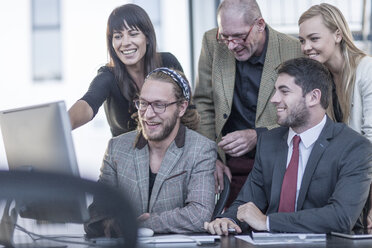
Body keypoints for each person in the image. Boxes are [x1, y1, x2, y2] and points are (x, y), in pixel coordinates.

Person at [204, 57, 372, 235]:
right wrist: (227, 220)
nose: (274, 99)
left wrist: (268, 222)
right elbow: (246, 204)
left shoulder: (354, 147)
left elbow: (341, 217)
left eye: (284, 92)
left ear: (313, 97)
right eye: (275, 91)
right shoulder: (268, 142)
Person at [193, 0, 303, 205]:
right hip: (229, 165)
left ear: (260, 24)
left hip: (279, 162)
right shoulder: (211, 42)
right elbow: (203, 104)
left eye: (239, 36)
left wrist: (258, 135)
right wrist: (211, 157)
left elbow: (304, 115)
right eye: (225, 37)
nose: (232, 45)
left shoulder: (293, 50)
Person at [84, 68, 216, 236]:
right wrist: (112, 225)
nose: (148, 114)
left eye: (159, 105)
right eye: (144, 103)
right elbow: (96, 213)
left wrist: (143, 223)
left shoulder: (201, 149)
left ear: (182, 107)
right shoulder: (116, 148)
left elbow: (199, 215)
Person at [298, 3, 372, 227]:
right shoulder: (321, 81)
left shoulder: (366, 69)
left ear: (338, 34)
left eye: (314, 38)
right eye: (302, 41)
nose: (306, 47)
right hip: (343, 190)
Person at [68, 4, 183, 137]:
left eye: (133, 34)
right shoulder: (108, 76)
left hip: (172, 152)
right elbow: (88, 103)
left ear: (147, 38)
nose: (125, 42)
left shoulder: (167, 63)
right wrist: (61, 125)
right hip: (126, 155)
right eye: (118, 36)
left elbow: (189, 110)